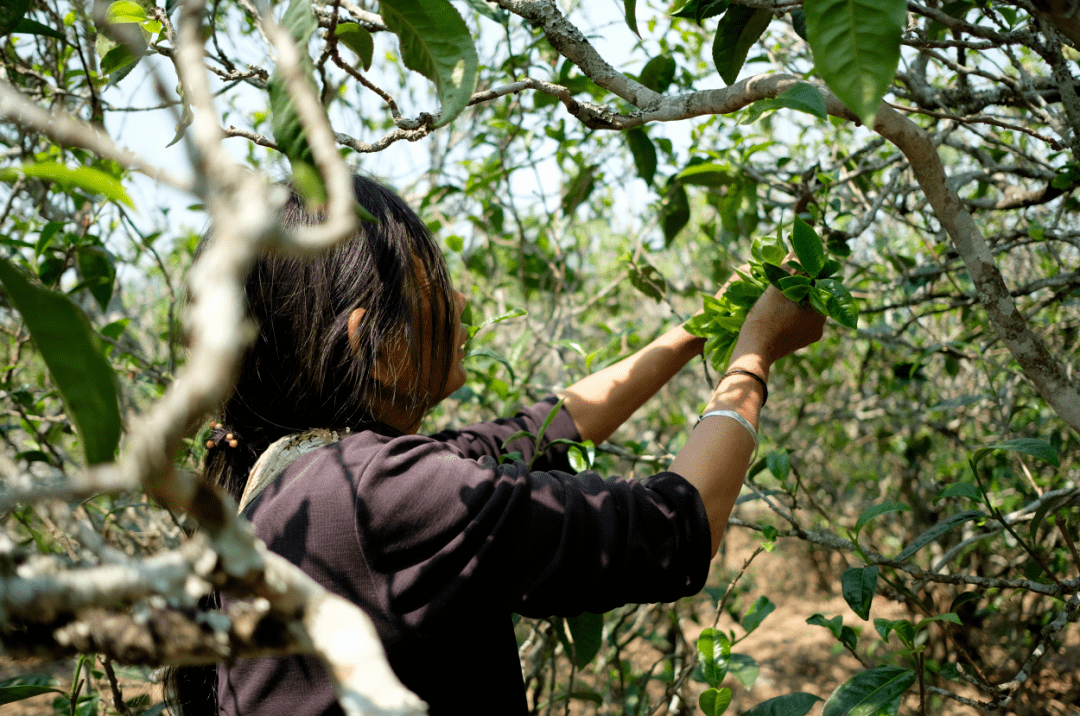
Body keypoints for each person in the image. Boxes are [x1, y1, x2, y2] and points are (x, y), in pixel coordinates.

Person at [170, 175, 825, 715]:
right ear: (371, 341)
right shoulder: (385, 495)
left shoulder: (305, 482)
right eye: (434, 285)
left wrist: (702, 326)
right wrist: (754, 356)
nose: (460, 299)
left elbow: (550, 427)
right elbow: (678, 525)